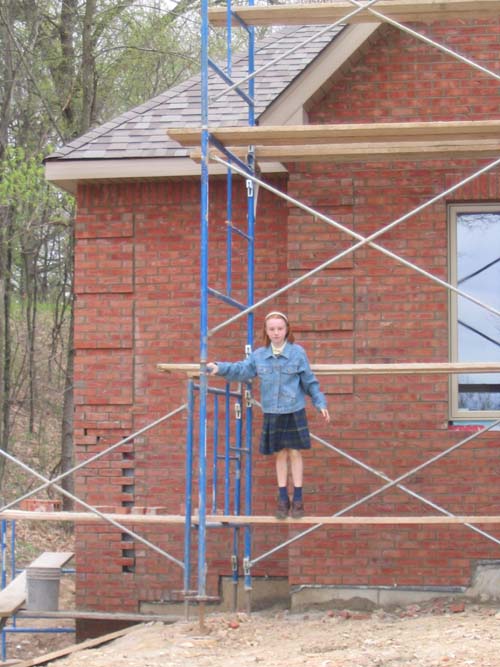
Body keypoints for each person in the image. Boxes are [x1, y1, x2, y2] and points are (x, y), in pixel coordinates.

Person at [207, 311, 330, 520]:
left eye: (280, 329)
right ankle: (283, 499)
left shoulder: (298, 353)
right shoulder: (259, 355)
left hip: (294, 409)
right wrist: (219, 368)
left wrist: (320, 402)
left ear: (287, 330)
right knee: (280, 454)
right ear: (266, 331)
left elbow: (310, 382)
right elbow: (241, 370)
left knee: (295, 453)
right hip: (272, 411)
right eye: (272, 329)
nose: (276, 333)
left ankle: (298, 499)